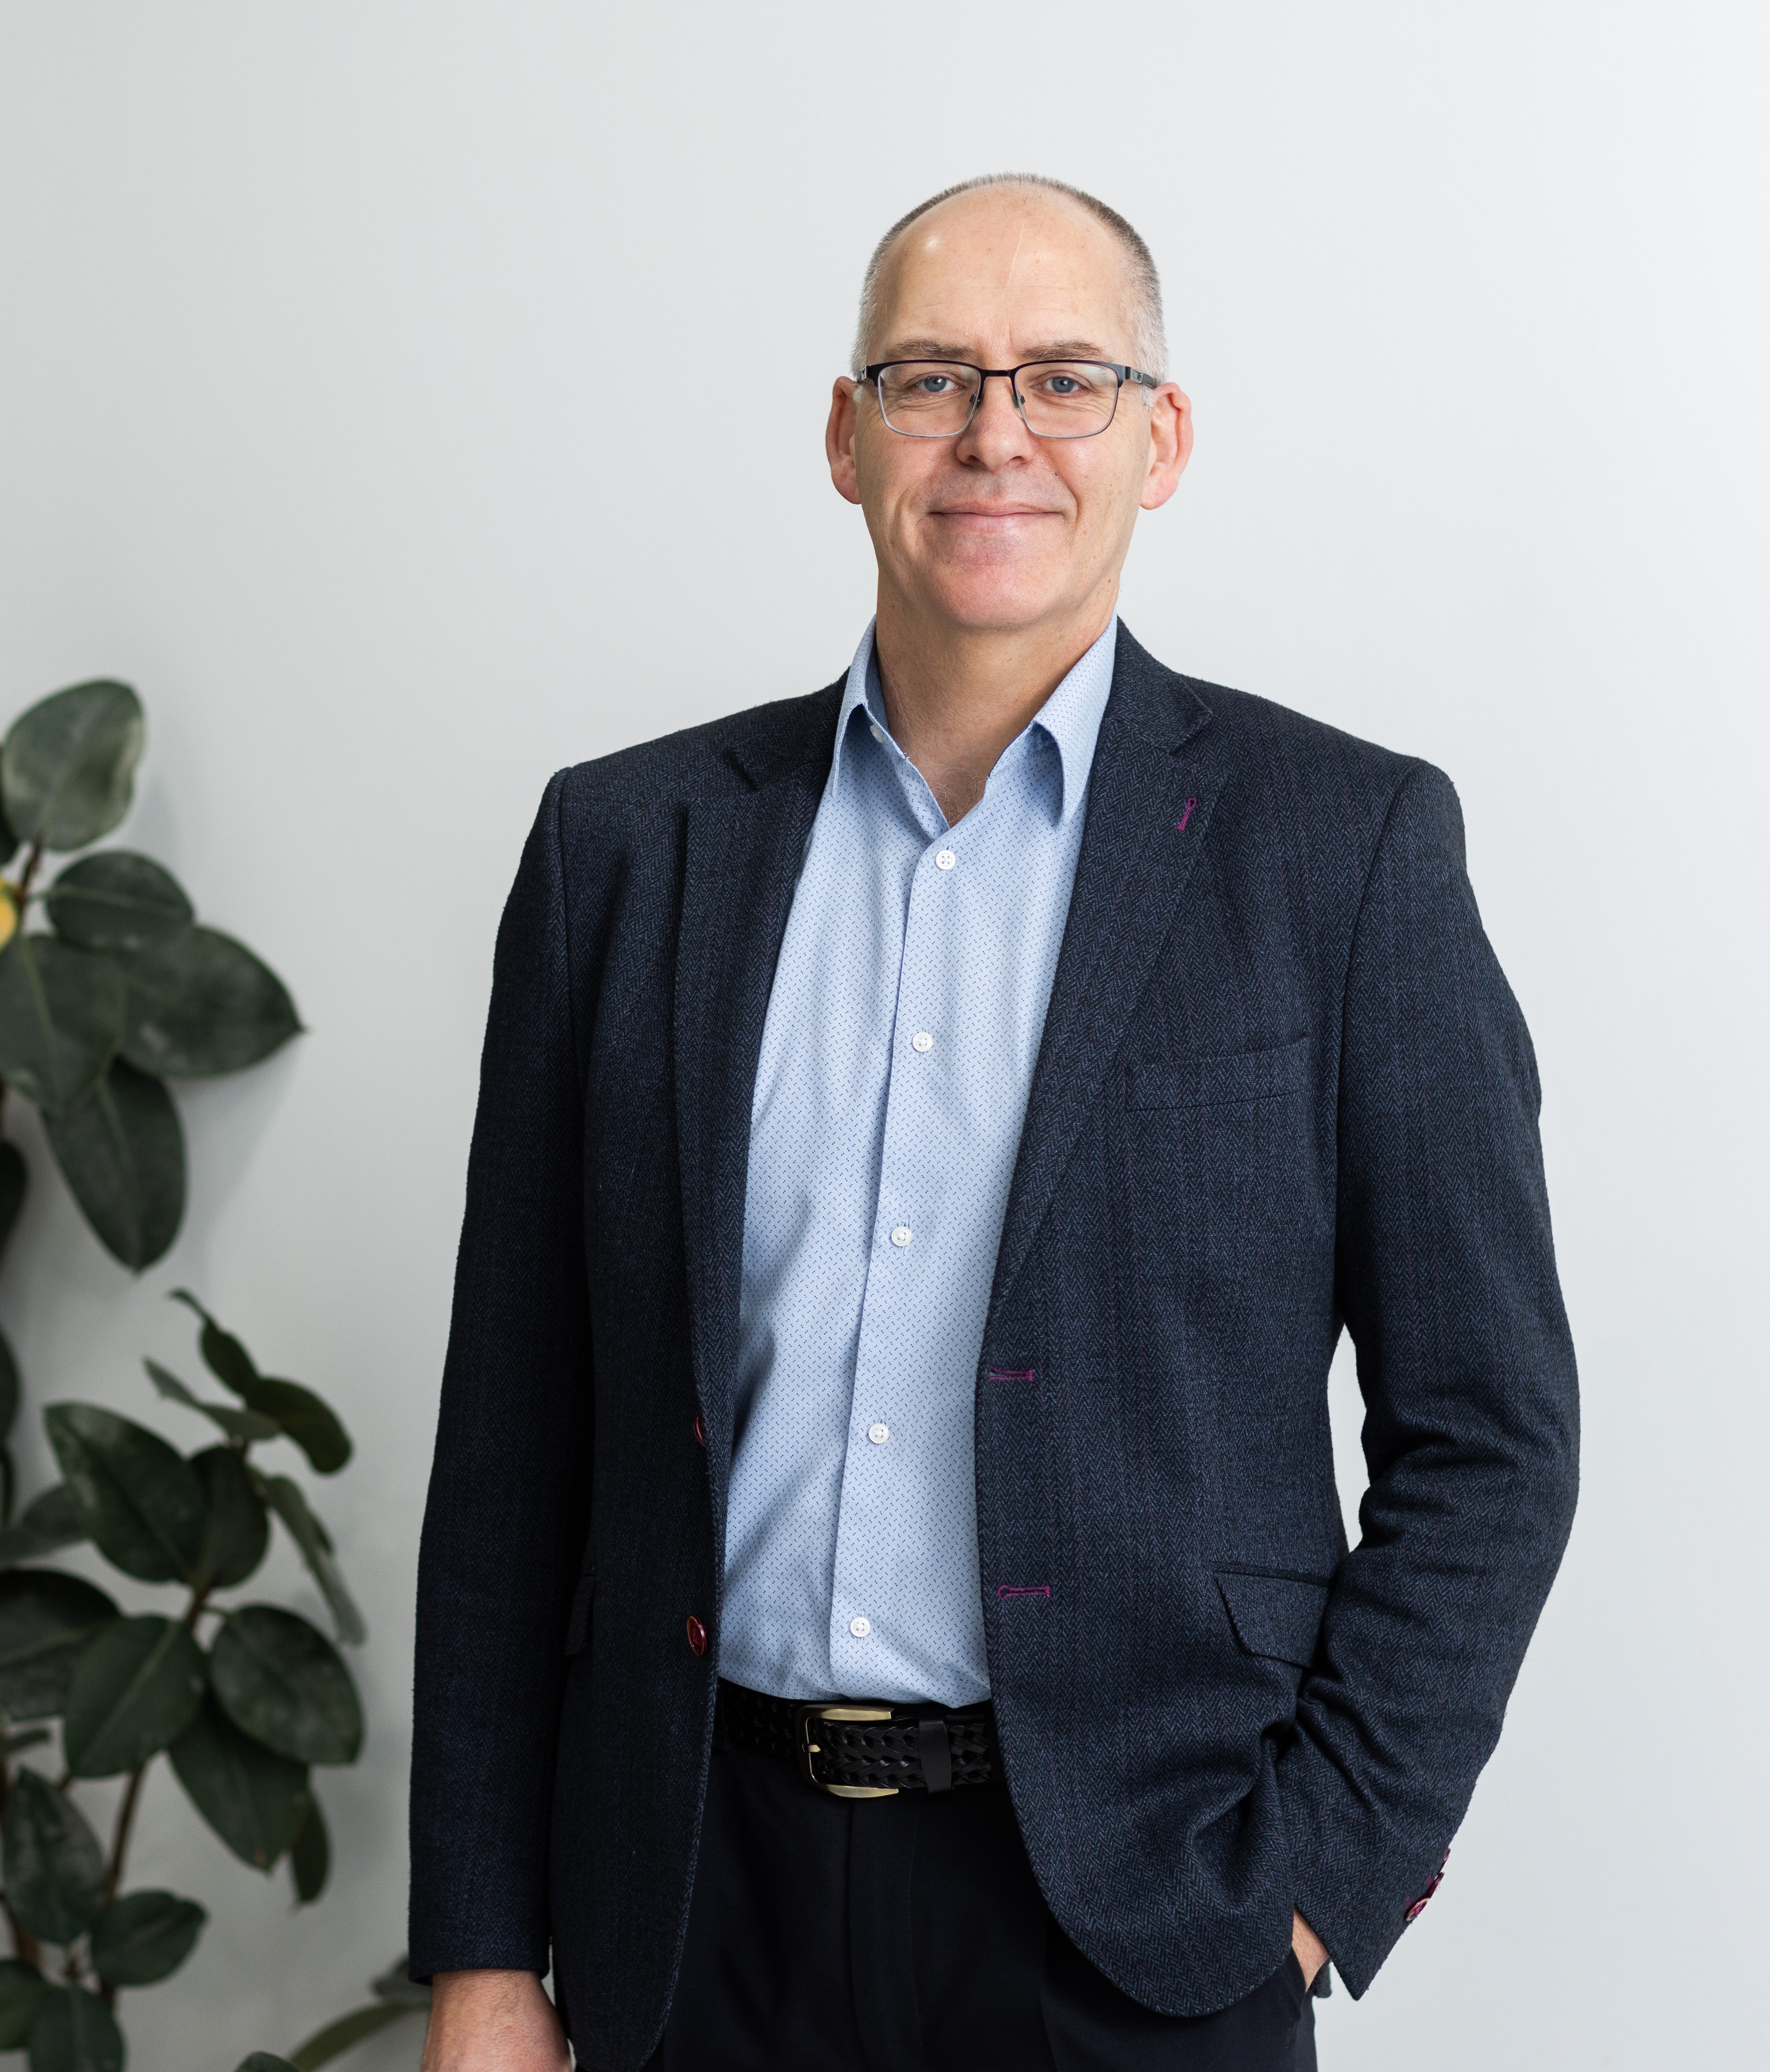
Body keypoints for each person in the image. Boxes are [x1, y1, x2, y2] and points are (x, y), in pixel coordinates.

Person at [407, 174, 1579, 2072]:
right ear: (843, 428)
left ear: (1160, 437)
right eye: (932, 374)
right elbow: (510, 1445)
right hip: (689, 1904)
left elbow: (1490, 1435)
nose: (993, 435)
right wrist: (477, 1944)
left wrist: (1309, 1873)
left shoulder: (1341, 852)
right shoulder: (625, 850)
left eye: (1064, 379)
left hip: (1135, 1919)